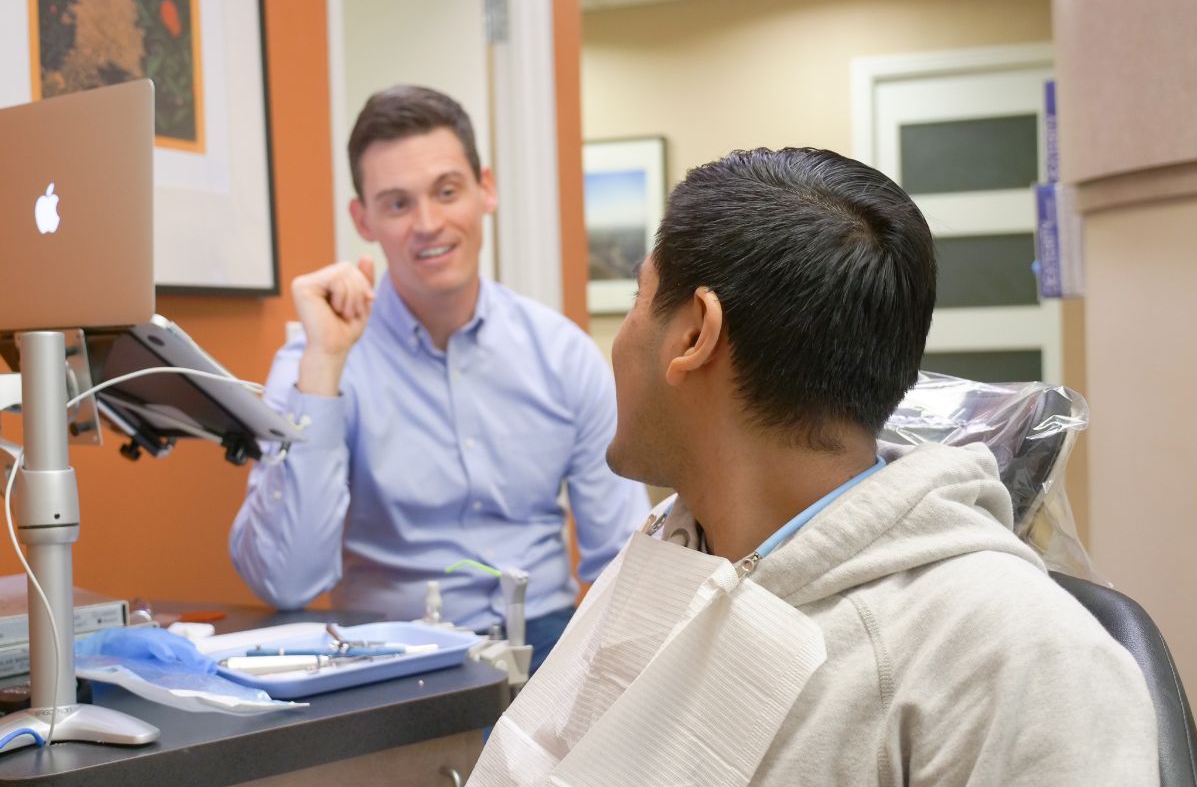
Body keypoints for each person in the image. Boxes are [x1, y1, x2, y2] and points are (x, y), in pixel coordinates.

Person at [468, 148, 1157, 784]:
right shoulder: (669, 547)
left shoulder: (1022, 658)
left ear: (695, 334)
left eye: (637, 302)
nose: (618, 343)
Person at [229, 85, 649, 671]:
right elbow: (286, 582)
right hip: (387, 655)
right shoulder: (315, 359)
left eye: (446, 192)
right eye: (397, 204)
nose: (428, 223)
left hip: (547, 647)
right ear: (363, 219)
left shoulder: (562, 355)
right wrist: (324, 367)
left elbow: (623, 558)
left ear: (486, 190)